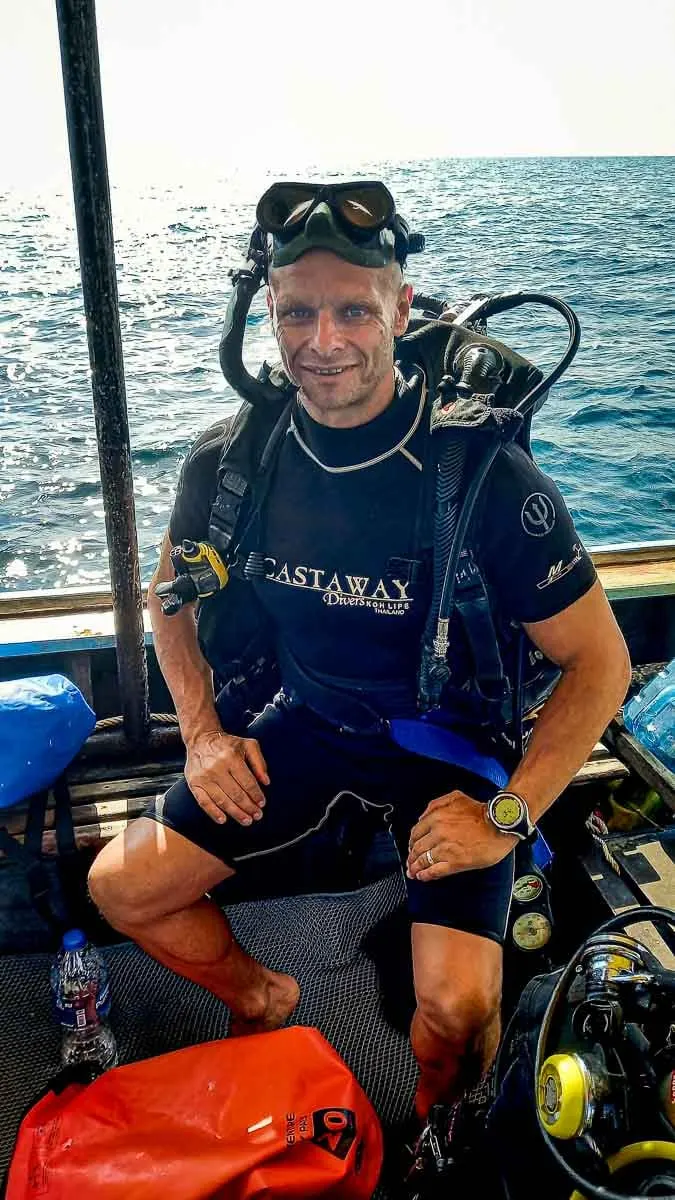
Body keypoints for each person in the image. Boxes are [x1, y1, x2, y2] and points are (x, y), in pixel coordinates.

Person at [88, 180, 631, 1122]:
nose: (322, 340)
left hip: (448, 745)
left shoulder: (485, 479)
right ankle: (263, 998)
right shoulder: (232, 461)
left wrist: (507, 814)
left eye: (353, 311)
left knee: (454, 1009)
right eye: (297, 312)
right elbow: (167, 598)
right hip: (307, 717)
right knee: (123, 888)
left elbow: (602, 664)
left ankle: (435, 1130)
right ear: (268, 312)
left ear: (401, 310)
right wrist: (204, 736)